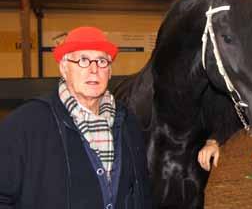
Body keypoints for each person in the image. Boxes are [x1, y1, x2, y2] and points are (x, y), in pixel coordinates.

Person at [0, 26, 151, 209]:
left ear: (109, 71)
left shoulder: (128, 123)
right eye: (83, 60)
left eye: (102, 61)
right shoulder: (25, 124)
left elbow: (142, 192)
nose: (94, 69)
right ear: (64, 68)